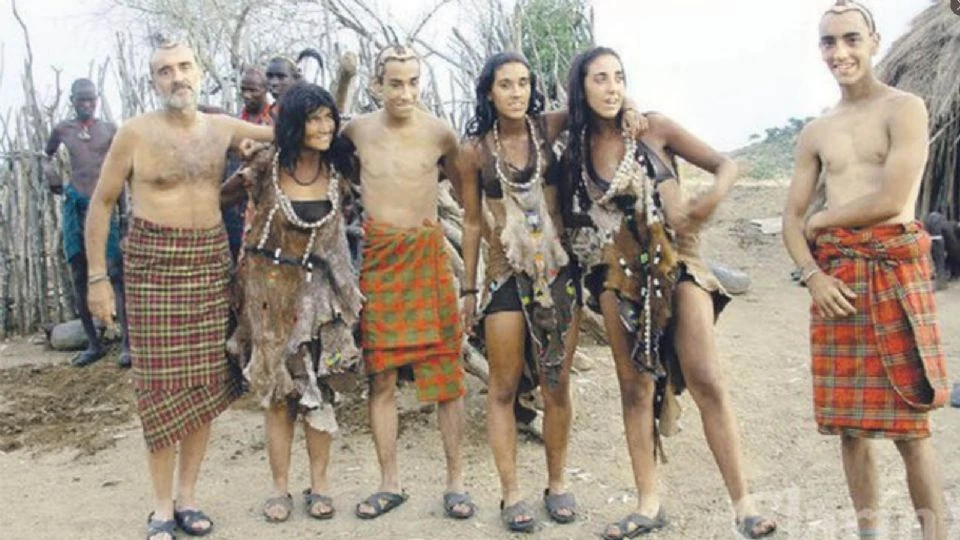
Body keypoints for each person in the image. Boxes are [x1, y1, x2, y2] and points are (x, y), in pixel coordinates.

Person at [557, 46, 775, 539]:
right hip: (616, 272)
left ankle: (744, 505)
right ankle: (648, 504)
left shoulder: (652, 129)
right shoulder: (576, 147)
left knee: (705, 378)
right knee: (635, 388)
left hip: (677, 260)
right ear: (581, 88)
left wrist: (708, 201)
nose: (612, 87)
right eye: (599, 79)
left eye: (619, 77)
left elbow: (726, 165)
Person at [85, 41, 273, 540]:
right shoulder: (135, 133)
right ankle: (161, 508)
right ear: (154, 81)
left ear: (200, 72)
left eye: (185, 66)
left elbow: (287, 134)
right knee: (158, 389)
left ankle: (188, 498)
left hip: (208, 263)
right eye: (165, 71)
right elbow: (102, 203)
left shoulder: (222, 129)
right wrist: (98, 279)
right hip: (153, 269)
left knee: (204, 385)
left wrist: (331, 122)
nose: (177, 77)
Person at [455, 51, 647, 532]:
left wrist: (631, 106)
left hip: (557, 273)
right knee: (503, 385)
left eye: (523, 83)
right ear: (489, 92)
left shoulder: (549, 127)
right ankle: (511, 493)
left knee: (555, 383)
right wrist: (469, 288)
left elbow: (597, 107)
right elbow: (473, 223)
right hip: (504, 273)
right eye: (505, 84)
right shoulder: (474, 150)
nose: (516, 92)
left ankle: (557, 483)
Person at [782, 2, 950, 538]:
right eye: (829, 42)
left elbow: (892, 199)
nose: (841, 52)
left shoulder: (905, 109)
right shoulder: (817, 131)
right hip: (838, 282)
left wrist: (824, 220)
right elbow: (791, 219)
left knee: (911, 428)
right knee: (849, 429)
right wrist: (813, 275)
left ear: (874, 41)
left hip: (893, 272)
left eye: (851, 39)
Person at [343, 44, 475, 521]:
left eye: (413, 82)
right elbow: (328, 164)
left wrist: (470, 284)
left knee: (447, 378)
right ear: (376, 85)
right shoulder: (356, 131)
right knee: (380, 377)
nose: (405, 92)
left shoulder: (441, 134)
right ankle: (389, 483)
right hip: (380, 262)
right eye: (395, 83)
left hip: (426, 259)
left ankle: (456, 482)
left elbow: (469, 200)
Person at [226, 82, 362, 524]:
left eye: (328, 118)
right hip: (271, 296)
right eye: (313, 119)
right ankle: (279, 488)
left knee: (320, 392)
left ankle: (319, 485)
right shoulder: (267, 166)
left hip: (322, 298)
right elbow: (220, 195)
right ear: (293, 124)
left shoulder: (340, 168)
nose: (324, 127)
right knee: (279, 393)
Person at [44, 78, 130, 368]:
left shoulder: (109, 131)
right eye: (81, 100)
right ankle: (94, 344)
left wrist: (123, 214)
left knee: (116, 273)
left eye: (91, 99)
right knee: (79, 272)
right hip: (75, 203)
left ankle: (127, 344)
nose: (87, 104)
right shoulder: (62, 129)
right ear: (72, 101)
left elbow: (121, 172)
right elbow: (46, 155)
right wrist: (49, 172)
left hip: (103, 206)